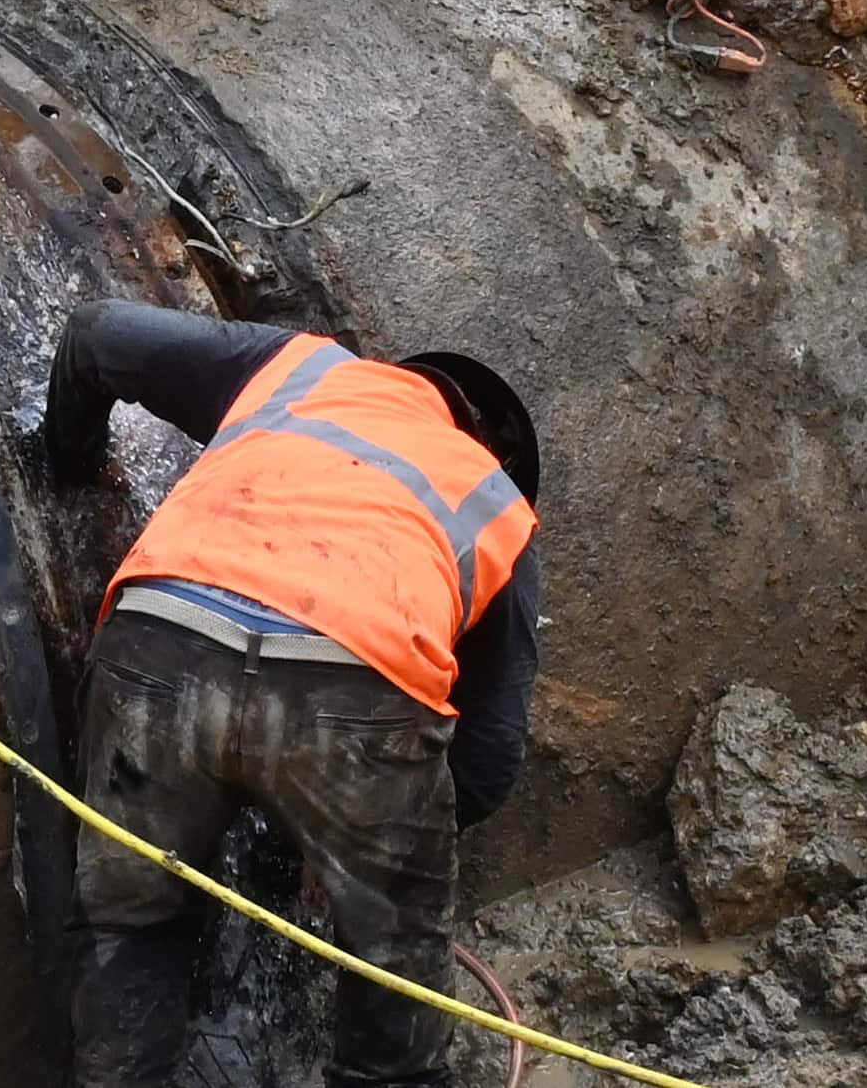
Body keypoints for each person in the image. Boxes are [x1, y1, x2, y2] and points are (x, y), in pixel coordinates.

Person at [38, 298, 543, 1088]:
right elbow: (488, 758)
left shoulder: (298, 371)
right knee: (394, 1008)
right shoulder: (497, 505)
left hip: (158, 641)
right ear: (493, 445)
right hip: (356, 686)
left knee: (130, 931)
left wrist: (70, 468)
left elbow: (96, 332)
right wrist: (338, 845)